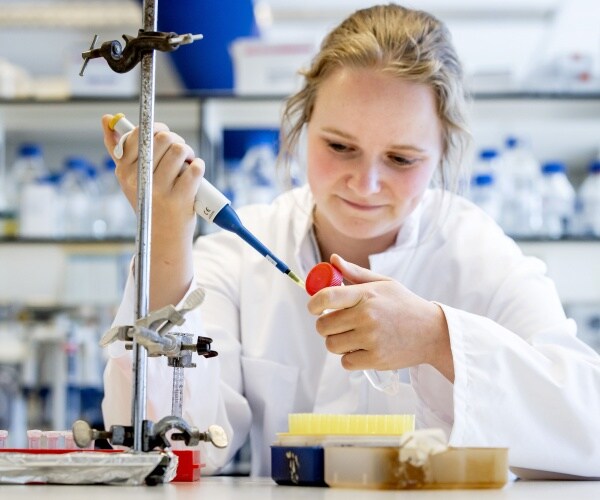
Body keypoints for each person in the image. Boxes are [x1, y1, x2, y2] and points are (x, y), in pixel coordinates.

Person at [101, 4, 600, 478]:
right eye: (340, 147)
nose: (365, 183)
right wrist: (165, 235)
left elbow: (589, 428)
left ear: (443, 150)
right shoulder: (239, 253)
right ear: (302, 127)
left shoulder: (480, 257)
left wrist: (437, 338)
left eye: (402, 159)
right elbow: (169, 449)